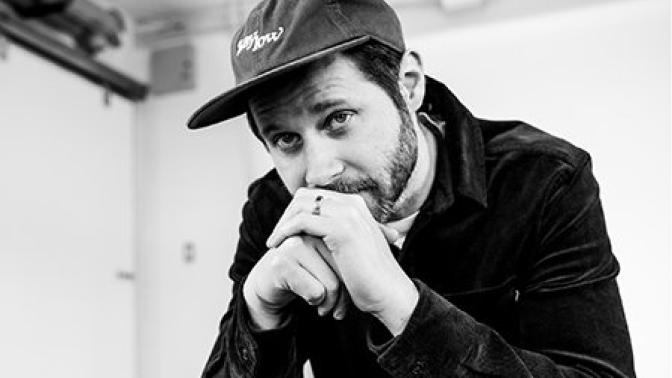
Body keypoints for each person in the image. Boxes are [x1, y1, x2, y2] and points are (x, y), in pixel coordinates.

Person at [187, 0, 635, 376]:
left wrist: (404, 309)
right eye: (286, 140)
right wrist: (259, 313)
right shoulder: (273, 207)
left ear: (408, 85)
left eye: (337, 118)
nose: (319, 172)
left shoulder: (542, 180)